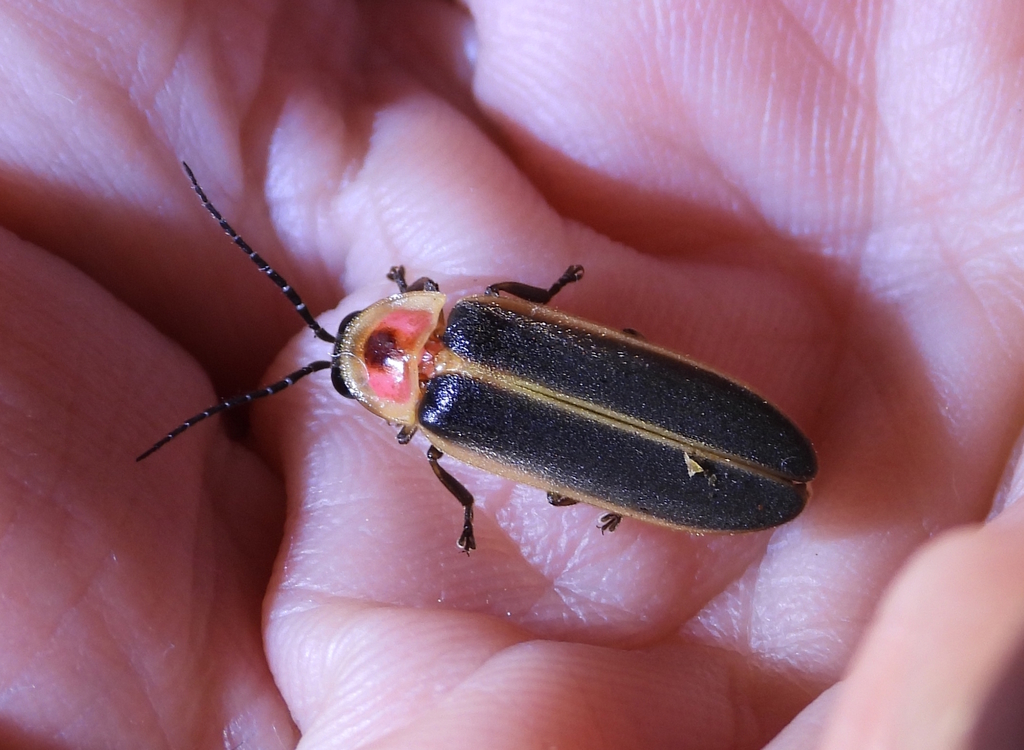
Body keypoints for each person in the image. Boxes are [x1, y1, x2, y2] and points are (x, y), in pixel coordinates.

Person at [1, 1, 1022, 747]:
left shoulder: (434, 417)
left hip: (675, 452)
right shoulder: (480, 319)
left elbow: (467, 470)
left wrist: (465, 512)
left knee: (558, 460)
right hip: (676, 427)